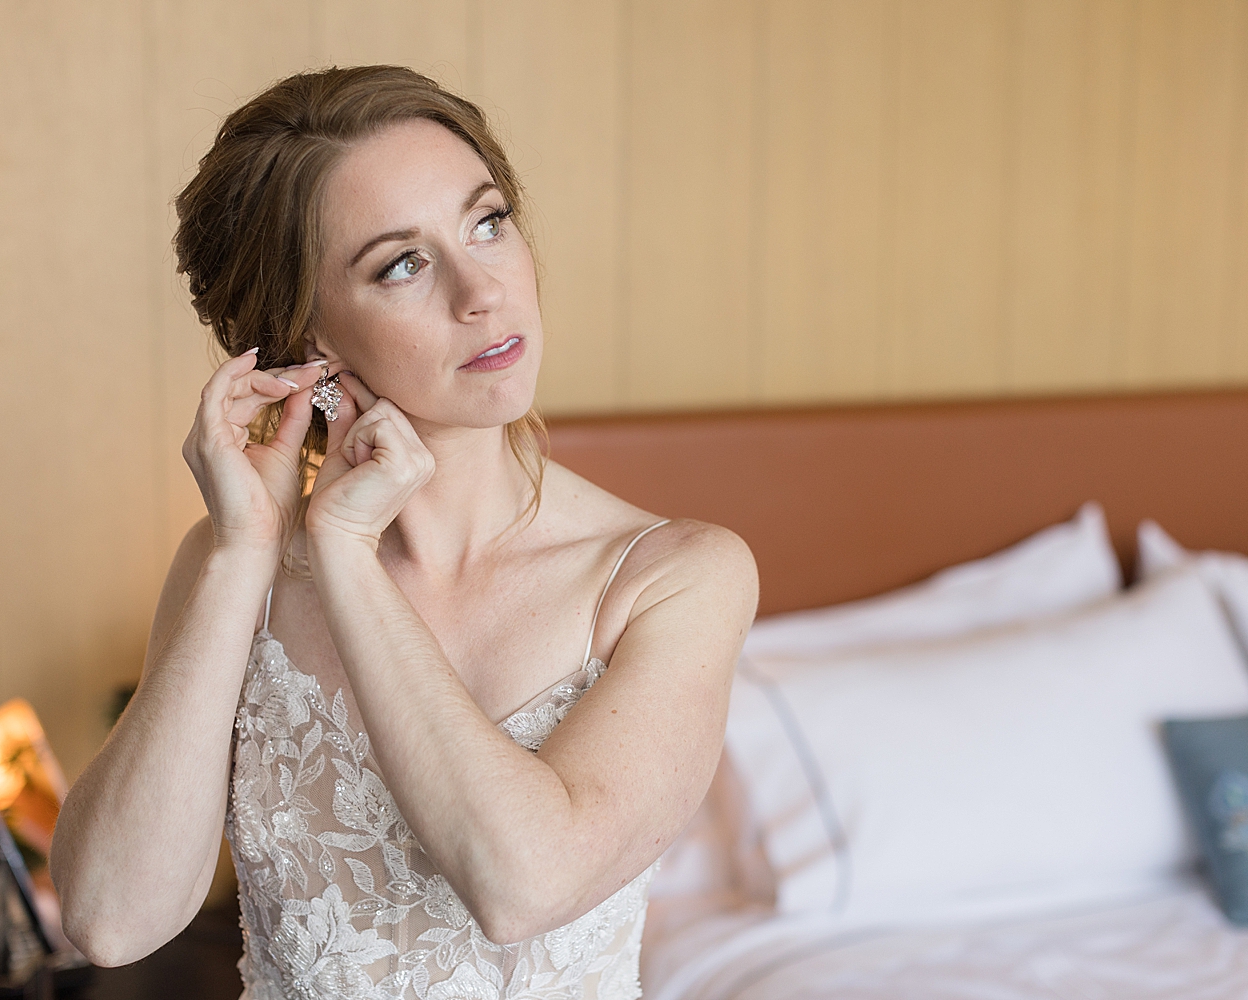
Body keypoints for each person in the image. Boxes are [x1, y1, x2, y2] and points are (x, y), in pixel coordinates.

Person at [49, 65, 757, 1000]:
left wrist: (346, 556)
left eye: (489, 222)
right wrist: (243, 556)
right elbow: (110, 919)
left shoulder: (676, 577)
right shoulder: (235, 564)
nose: (482, 291)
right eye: (403, 264)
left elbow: (525, 885)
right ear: (308, 339)